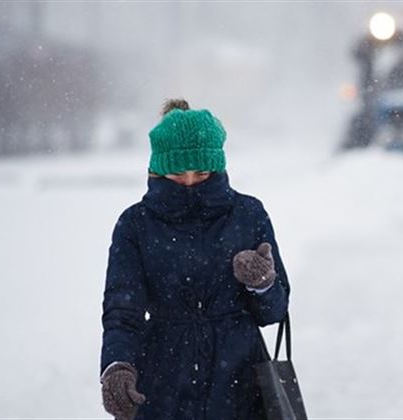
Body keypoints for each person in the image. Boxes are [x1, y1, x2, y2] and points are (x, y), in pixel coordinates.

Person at [99, 99, 290, 419]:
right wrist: (117, 366)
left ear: (217, 166)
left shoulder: (248, 213)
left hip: (240, 383)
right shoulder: (135, 224)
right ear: (157, 169)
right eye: (177, 173)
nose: (189, 182)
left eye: (201, 172)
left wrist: (262, 283)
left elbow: (276, 310)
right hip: (163, 384)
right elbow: (122, 310)